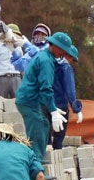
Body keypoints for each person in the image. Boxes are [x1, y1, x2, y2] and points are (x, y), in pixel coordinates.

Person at [15, 32, 76, 162]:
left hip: (32, 100)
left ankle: (38, 158)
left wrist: (53, 107)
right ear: (56, 46)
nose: (64, 55)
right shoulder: (46, 61)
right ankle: (35, 166)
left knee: (44, 124)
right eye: (64, 51)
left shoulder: (46, 57)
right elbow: (46, 88)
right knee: (37, 130)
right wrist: (53, 111)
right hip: (28, 100)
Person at [48, 45, 83, 149]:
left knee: (46, 135)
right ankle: (56, 160)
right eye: (72, 59)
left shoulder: (49, 64)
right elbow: (70, 89)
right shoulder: (66, 67)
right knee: (59, 136)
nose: (72, 61)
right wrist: (76, 109)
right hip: (60, 105)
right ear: (69, 56)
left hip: (47, 104)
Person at [0, 23, 24, 98]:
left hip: (16, 77)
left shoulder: (19, 48)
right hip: (1, 78)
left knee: (18, 103)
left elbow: (22, 64)